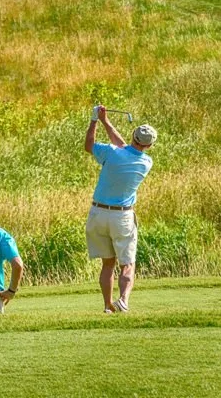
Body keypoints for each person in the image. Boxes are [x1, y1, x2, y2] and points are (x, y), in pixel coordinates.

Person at [84, 105, 157, 313]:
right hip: (122, 216)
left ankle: (108, 306)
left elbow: (89, 146)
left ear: (133, 136)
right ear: (150, 145)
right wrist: (106, 121)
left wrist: (95, 120)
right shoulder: (146, 162)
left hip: (98, 213)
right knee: (127, 263)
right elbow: (125, 147)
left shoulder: (111, 153)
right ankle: (123, 300)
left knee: (108, 263)